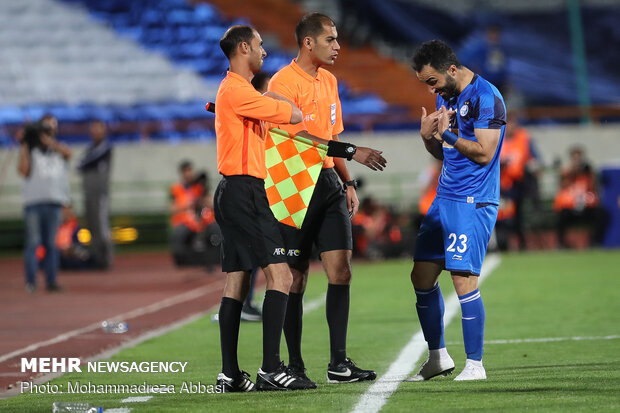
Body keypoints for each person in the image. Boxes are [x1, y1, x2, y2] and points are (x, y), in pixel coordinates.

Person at [268, 13, 385, 386]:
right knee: (296, 279)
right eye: (331, 39)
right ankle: (296, 366)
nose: (337, 46)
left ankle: (338, 364)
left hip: (329, 183)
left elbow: (330, 136)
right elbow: (298, 139)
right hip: (294, 188)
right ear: (308, 43)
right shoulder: (282, 82)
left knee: (342, 270)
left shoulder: (330, 81)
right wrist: (352, 151)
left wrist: (349, 182)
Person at [406, 40, 506, 382]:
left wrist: (446, 134)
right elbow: (444, 153)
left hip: (473, 199)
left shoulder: (486, 96)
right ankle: (438, 358)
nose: (430, 89)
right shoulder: (445, 95)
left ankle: (475, 365)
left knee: (463, 279)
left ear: (450, 69)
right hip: (444, 197)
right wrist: (428, 138)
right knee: (421, 276)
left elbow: (483, 153)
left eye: (431, 81)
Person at [17, 116, 72, 293]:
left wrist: (49, 142)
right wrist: (25, 143)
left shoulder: (58, 149)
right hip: (33, 203)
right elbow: (23, 170)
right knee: (33, 243)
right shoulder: (31, 150)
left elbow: (68, 154)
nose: (48, 129)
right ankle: (31, 282)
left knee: (51, 244)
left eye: (51, 126)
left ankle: (51, 281)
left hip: (54, 202)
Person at [553, 146, 607, 248]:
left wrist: (590, 172)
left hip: (586, 206)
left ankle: (594, 242)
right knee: (561, 216)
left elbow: (595, 188)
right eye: (575, 158)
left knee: (600, 214)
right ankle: (561, 244)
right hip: (569, 207)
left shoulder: (587, 173)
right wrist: (572, 171)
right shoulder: (567, 172)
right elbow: (562, 185)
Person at [77, 120, 113, 269]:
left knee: (102, 226)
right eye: (93, 130)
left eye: (98, 130)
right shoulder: (90, 148)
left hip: (100, 194)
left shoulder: (105, 148)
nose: (95, 133)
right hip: (89, 193)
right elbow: (80, 164)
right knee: (92, 227)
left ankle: (106, 259)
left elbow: (83, 163)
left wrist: (83, 163)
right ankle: (97, 258)